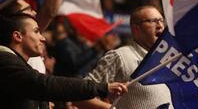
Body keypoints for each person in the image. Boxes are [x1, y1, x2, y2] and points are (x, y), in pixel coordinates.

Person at [0, 12, 128, 109]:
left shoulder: (18, 64)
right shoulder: (5, 61)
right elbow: (44, 84)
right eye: (36, 31)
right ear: (18, 36)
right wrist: (103, 88)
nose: (43, 38)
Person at [75, 5, 172, 108]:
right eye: (153, 21)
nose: (160, 25)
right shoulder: (120, 56)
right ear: (136, 29)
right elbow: (79, 95)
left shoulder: (169, 59)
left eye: (161, 20)